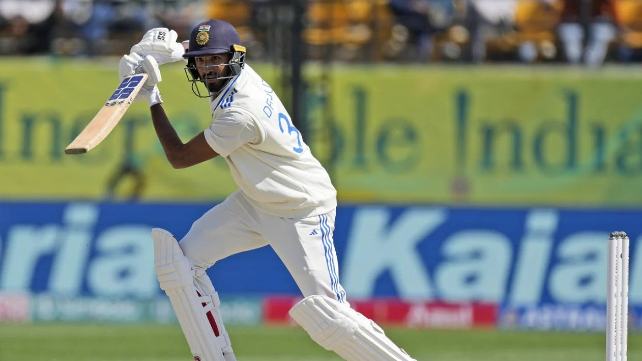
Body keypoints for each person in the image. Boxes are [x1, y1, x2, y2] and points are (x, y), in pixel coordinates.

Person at [118, 20, 417, 361]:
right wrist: (165, 52)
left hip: (301, 210)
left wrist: (151, 96)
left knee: (330, 317)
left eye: (213, 60)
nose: (207, 69)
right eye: (200, 61)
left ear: (234, 58)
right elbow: (207, 45)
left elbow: (179, 157)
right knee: (179, 264)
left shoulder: (240, 113)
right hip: (255, 202)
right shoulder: (237, 72)